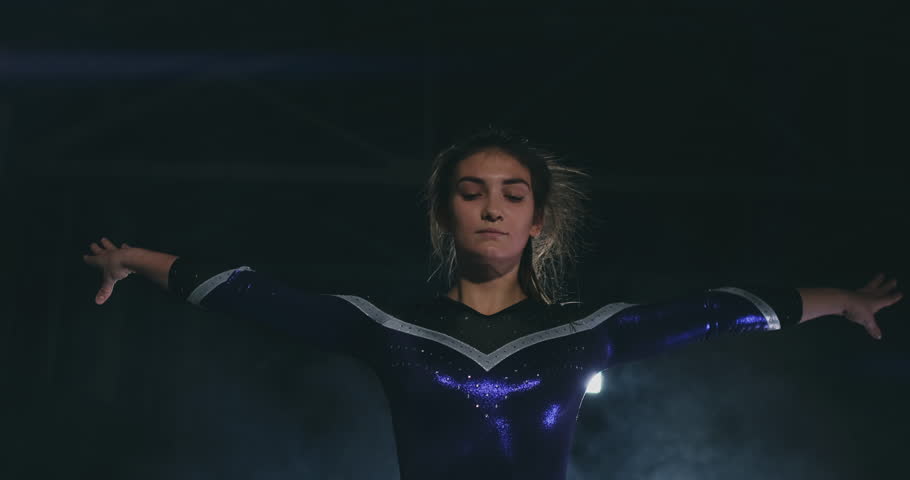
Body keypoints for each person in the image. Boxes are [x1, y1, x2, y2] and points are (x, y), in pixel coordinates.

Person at [83, 127, 903, 480]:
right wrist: (133, 257)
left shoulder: (584, 332)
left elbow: (720, 309)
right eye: (471, 192)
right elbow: (250, 295)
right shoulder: (388, 326)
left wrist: (841, 301)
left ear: (537, 218)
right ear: (446, 212)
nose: (491, 207)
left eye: (512, 194)